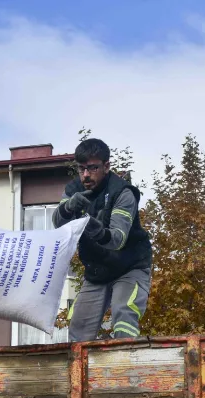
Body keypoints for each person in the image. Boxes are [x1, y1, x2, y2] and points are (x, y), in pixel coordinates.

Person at [53, 138, 152, 341]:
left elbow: (118, 239)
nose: (86, 175)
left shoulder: (123, 193)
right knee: (78, 331)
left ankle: (126, 366)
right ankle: (79, 373)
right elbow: (57, 223)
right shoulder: (73, 190)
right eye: (81, 169)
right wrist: (68, 207)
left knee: (123, 315)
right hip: (97, 271)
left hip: (130, 266)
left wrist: (98, 232)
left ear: (106, 166)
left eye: (92, 168)